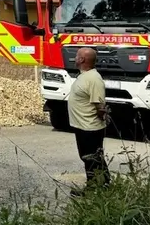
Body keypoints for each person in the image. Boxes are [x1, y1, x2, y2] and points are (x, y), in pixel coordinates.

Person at [67, 46, 110, 196]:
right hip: (83, 126)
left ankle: (93, 189)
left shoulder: (93, 78)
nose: (74, 58)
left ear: (82, 59)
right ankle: (104, 184)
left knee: (91, 159)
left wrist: (97, 119)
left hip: (90, 128)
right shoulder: (85, 75)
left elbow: (100, 106)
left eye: (77, 56)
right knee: (93, 157)